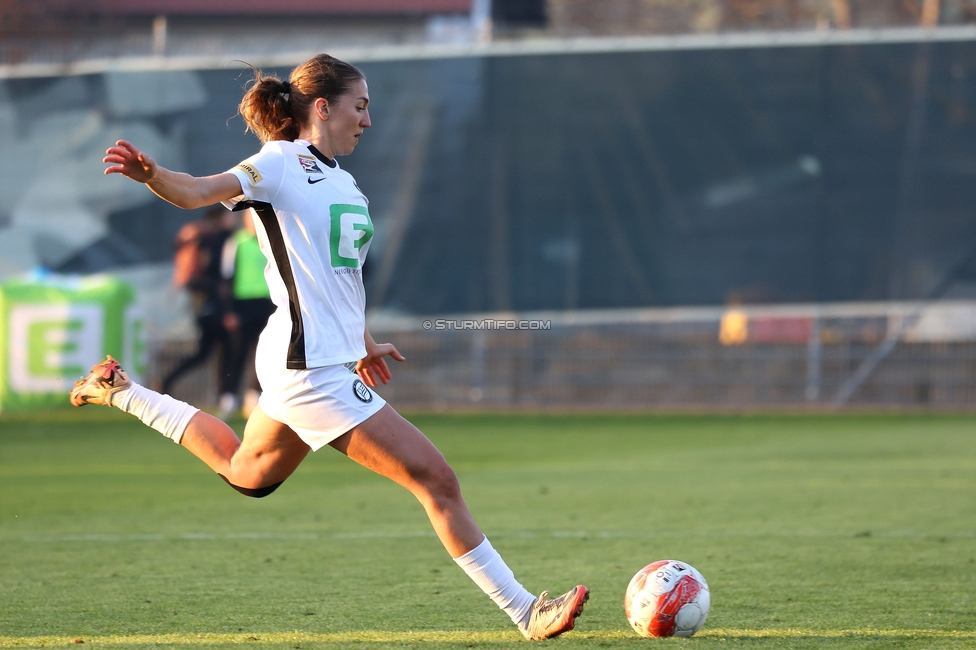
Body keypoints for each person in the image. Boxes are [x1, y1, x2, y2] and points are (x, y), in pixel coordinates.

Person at [71, 54, 588, 640]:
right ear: (322, 107)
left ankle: (122, 392)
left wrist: (362, 341)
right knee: (436, 479)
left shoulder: (341, 180)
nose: (368, 119)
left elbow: (336, 278)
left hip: (314, 356)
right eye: (359, 105)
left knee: (248, 473)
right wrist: (152, 175)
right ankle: (526, 611)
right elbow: (197, 191)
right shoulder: (278, 163)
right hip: (306, 367)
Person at [162, 206, 234, 400]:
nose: (233, 219)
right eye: (229, 216)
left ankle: (224, 394)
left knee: (215, 351)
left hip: (207, 302)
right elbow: (207, 274)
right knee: (215, 350)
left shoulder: (203, 237)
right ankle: (225, 394)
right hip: (210, 303)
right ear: (220, 218)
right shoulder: (210, 239)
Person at [218, 208, 275, 419]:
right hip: (243, 305)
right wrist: (228, 310)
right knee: (236, 352)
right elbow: (226, 277)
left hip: (269, 305)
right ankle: (229, 397)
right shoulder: (236, 243)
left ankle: (255, 396)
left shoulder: (272, 241)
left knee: (265, 353)